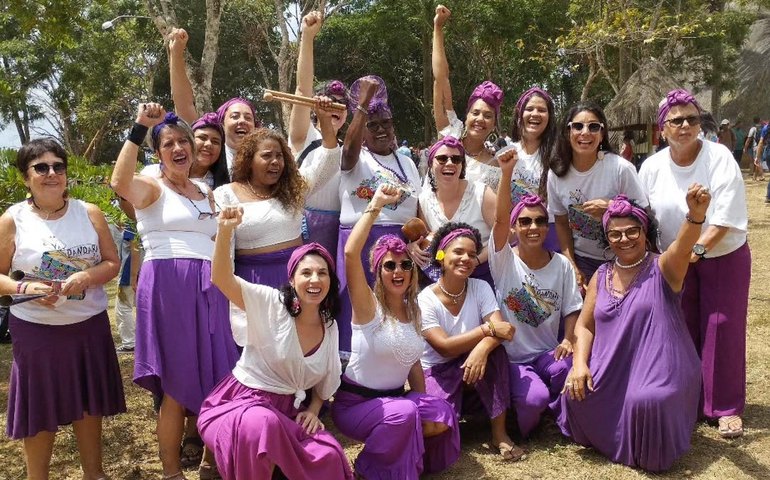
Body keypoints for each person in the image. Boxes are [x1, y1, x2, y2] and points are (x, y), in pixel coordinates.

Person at [111, 105, 240, 480]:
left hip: (210, 284)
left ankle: (210, 462)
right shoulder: (151, 186)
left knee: (217, 373)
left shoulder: (205, 191)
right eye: (170, 144)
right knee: (176, 384)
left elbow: (218, 241)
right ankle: (170, 472)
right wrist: (139, 126)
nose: (180, 148)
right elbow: (120, 182)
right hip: (169, 284)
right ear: (158, 154)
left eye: (184, 140)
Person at [198, 206, 353, 480]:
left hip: (288, 414)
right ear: (292, 280)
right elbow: (221, 278)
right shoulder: (271, 303)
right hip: (239, 404)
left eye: (322, 273)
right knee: (261, 424)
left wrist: (315, 410)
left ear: (330, 279)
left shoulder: (329, 327)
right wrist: (225, 231)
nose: (314, 279)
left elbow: (326, 382)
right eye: (306, 273)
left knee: (328, 454)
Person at [0, 138, 124, 479]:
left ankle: (94, 474)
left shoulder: (90, 213)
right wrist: (25, 288)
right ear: (25, 177)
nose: (52, 173)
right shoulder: (13, 219)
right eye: (41, 167)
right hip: (36, 329)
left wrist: (87, 276)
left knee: (88, 403)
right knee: (39, 409)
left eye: (58, 166)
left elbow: (113, 263)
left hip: (88, 326)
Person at [559, 190, 709, 472]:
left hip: (661, 366)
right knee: (575, 394)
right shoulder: (601, 274)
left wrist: (695, 216)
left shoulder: (664, 267)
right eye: (615, 234)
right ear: (607, 238)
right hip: (614, 364)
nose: (624, 239)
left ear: (645, 231)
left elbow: (683, 245)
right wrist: (579, 364)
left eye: (632, 231)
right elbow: (585, 324)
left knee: (646, 402)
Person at [639, 89, 750, 438]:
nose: (685, 125)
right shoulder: (653, 166)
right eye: (677, 120)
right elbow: (647, 217)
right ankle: (690, 397)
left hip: (722, 255)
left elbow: (723, 219)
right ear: (663, 129)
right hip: (675, 259)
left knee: (721, 325)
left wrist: (692, 255)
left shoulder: (719, 158)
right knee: (682, 326)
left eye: (692, 119)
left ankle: (726, 406)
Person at [332, 184, 460, 479]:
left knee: (441, 411)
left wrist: (421, 403)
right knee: (405, 415)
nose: (398, 270)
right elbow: (351, 253)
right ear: (378, 271)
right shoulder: (368, 307)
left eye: (404, 265)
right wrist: (375, 204)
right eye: (389, 265)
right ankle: (368, 466)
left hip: (396, 400)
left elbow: (413, 362)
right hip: (356, 404)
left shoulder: (415, 308)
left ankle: (403, 453)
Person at [491, 150, 582, 439]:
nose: (534, 227)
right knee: (533, 400)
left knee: (567, 371)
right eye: (526, 222)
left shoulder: (562, 266)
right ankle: (531, 413)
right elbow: (499, 221)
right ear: (515, 228)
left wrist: (568, 338)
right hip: (513, 359)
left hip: (546, 354)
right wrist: (507, 174)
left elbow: (572, 309)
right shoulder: (504, 260)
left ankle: (556, 411)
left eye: (540, 221)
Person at [419, 222, 521, 460]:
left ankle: (499, 433)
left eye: (472, 254)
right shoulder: (425, 299)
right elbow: (444, 347)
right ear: (441, 256)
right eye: (458, 252)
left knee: (496, 353)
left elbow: (504, 330)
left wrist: (482, 348)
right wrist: (486, 330)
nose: (466, 258)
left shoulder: (480, 287)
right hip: (438, 371)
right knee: (437, 430)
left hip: (473, 366)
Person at [214, 99, 341, 289]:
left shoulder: (293, 188)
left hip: (296, 281)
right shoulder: (225, 195)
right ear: (249, 160)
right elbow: (224, 252)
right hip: (251, 284)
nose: (275, 162)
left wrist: (324, 120)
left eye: (279, 156)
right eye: (266, 155)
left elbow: (329, 160)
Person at [336, 75, 421, 356]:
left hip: (399, 244)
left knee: (395, 310)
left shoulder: (407, 162)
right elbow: (348, 148)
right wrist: (361, 106)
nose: (381, 129)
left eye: (386, 122)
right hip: (361, 242)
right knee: (358, 308)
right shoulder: (354, 158)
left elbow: (418, 207)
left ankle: (395, 364)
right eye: (373, 125)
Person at [547, 101, 648, 290]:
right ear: (567, 132)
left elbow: (644, 214)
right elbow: (561, 222)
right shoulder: (557, 173)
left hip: (623, 258)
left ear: (602, 134)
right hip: (582, 261)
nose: (585, 132)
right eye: (577, 126)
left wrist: (612, 207)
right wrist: (572, 266)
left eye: (593, 127)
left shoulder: (620, 169)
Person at [288, 11, 349, 259]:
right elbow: (302, 89)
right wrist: (307, 37)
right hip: (301, 229)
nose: (335, 107)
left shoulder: (350, 150)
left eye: (341, 104)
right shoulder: (304, 136)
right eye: (329, 102)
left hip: (337, 234)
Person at [166, 27, 258, 170]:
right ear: (222, 124)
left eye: (248, 118)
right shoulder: (211, 151)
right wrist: (176, 53)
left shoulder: (262, 159)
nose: (242, 121)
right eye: (234, 116)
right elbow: (184, 103)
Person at [433, 5, 502, 191]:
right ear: (467, 115)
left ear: (494, 124)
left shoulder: (495, 163)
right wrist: (438, 28)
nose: (480, 119)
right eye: (476, 113)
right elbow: (441, 79)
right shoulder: (450, 135)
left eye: (488, 116)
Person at [411, 136, 496, 287]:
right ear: (430, 164)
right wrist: (413, 247)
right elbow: (426, 239)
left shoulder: (482, 193)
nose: (449, 163)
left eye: (456, 159)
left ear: (462, 166)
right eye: (442, 159)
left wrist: (475, 261)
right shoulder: (424, 200)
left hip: (483, 274)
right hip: (443, 280)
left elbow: (506, 235)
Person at [507, 86, 560, 251]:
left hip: (548, 231)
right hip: (515, 231)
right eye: (529, 109)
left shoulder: (559, 154)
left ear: (549, 117)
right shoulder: (507, 151)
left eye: (542, 110)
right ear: (519, 114)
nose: (535, 114)